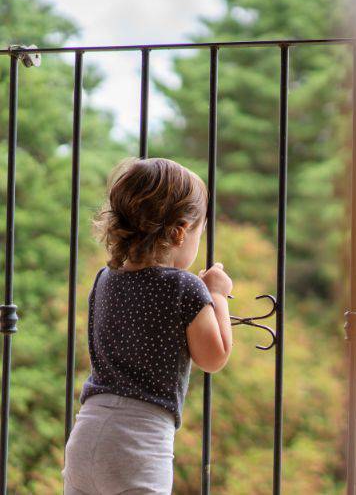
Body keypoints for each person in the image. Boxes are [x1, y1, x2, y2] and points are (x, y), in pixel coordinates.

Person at [62, 157, 234, 494]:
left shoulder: (105, 278)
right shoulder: (184, 287)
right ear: (181, 231)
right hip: (139, 441)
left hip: (86, 434)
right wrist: (218, 295)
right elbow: (215, 357)